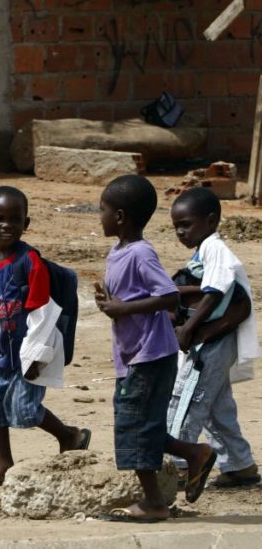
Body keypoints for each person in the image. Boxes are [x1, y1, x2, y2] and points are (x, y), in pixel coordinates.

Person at [0, 185, 91, 487]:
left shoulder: (30, 262)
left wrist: (38, 355)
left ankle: (69, 435)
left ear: (26, 223)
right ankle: (3, 465)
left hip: (29, 349)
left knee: (23, 410)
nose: (6, 226)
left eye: (14, 219)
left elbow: (42, 313)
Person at [94, 174, 216, 523]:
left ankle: (154, 502)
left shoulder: (141, 253)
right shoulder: (117, 251)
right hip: (133, 355)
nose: (98, 217)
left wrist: (123, 309)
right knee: (140, 424)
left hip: (151, 355)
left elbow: (168, 295)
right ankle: (196, 453)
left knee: (136, 427)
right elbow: (132, 296)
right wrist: (111, 302)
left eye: (102, 210)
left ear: (120, 216)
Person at [167, 187, 260, 488]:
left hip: (212, 342)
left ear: (210, 221)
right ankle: (238, 464)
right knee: (216, 406)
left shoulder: (214, 248)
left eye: (186, 224)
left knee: (187, 400)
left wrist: (189, 328)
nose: (180, 232)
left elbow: (215, 291)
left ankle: (179, 466)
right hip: (216, 341)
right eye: (176, 226)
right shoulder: (203, 250)